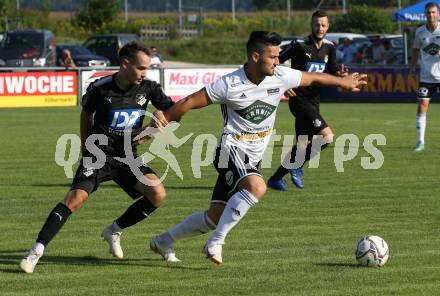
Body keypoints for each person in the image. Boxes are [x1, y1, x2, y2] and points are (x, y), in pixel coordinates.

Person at [144, 31, 366, 265]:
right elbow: (189, 102)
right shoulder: (229, 83)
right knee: (257, 186)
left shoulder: (280, 75)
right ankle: (216, 242)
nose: (278, 61)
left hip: (252, 158)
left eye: (279, 56)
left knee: (214, 217)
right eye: (273, 57)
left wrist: (343, 82)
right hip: (229, 150)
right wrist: (163, 120)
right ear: (255, 56)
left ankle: (163, 241)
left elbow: (313, 78)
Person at [19, 42, 174, 274]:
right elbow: (86, 114)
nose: (145, 72)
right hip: (98, 155)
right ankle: (35, 251)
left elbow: (172, 111)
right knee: (74, 199)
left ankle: (114, 229)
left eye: (147, 68)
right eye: (142, 67)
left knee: (157, 194)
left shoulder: (149, 88)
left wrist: (161, 117)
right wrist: (85, 147)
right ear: (125, 64)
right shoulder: (100, 88)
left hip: (127, 156)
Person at [267, 10, 348, 191]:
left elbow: (333, 71)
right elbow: (274, 63)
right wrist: (284, 85)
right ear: (311, 25)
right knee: (327, 137)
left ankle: (276, 179)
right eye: (317, 24)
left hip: (315, 101)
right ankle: (297, 166)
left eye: (323, 25)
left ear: (328, 27)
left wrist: (342, 76)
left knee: (304, 144)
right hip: (298, 99)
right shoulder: (299, 45)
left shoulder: (330, 47)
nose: (320, 28)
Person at [410, 2, 440, 152]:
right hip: (426, 76)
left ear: (438, 14)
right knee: (422, 107)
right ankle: (420, 142)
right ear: (425, 14)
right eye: (428, 12)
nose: (431, 15)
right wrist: (413, 66)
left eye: (434, 12)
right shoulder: (420, 32)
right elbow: (416, 49)